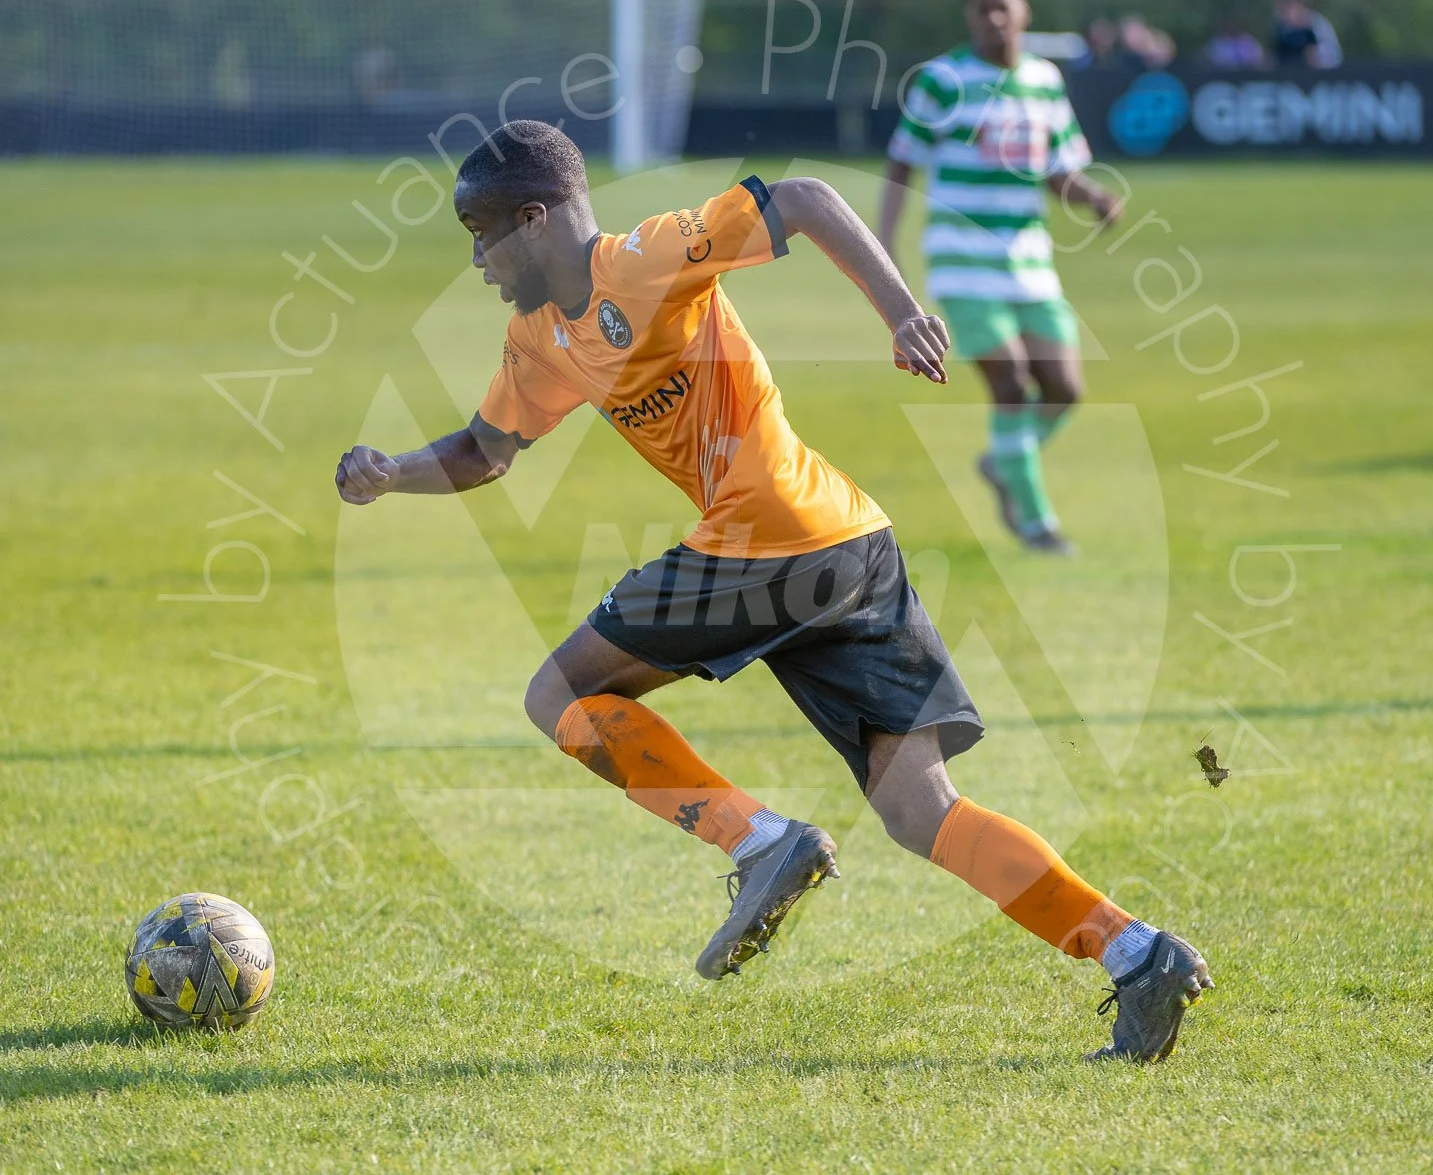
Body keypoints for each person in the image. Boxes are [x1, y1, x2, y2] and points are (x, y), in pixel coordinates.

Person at [334, 118, 1213, 1062]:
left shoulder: (647, 258)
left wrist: (901, 309)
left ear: (536, 218)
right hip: (850, 545)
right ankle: (1138, 956)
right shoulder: (540, 340)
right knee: (923, 812)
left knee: (559, 693)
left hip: (764, 540)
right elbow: (485, 451)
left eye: (482, 233)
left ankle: (759, 843)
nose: (476, 260)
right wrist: (393, 473)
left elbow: (803, 199)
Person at [879, 0, 1121, 555]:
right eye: (981, 9)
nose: (992, 19)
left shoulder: (1043, 81)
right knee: (1011, 381)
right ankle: (1038, 524)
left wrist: (1093, 198)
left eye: (1001, 7)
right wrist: (882, 245)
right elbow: (901, 164)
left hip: (1029, 259)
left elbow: (1057, 170)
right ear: (969, 16)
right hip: (963, 261)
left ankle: (1003, 462)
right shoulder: (942, 82)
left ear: (1023, 11)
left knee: (1064, 387)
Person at [1272, 0, 1341, 69]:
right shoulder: (1284, 29)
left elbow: (1332, 55)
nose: (1283, 14)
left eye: (1287, 9)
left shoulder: (1317, 25)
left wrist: (1313, 55)